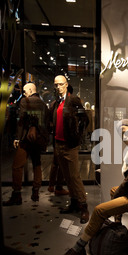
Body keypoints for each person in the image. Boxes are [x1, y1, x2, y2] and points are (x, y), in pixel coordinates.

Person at [54, 119, 128, 255]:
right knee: (114, 191)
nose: (123, 135)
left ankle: (78, 249)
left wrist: (118, 194)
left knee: (100, 210)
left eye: (125, 131)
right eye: (120, 133)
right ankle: (118, 225)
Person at [50, 75, 90, 223]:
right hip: (58, 143)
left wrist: (77, 135)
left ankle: (83, 205)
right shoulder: (56, 103)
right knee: (66, 176)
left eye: (60, 84)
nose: (58, 87)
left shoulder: (72, 100)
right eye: (56, 85)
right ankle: (74, 202)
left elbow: (85, 119)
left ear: (66, 85)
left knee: (74, 176)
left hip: (69, 145)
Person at [3, 83, 49, 205]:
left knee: (17, 166)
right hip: (38, 139)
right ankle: (35, 192)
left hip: (26, 139)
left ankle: (17, 194)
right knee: (36, 164)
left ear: (30, 90)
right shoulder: (43, 104)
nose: (23, 93)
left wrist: (18, 138)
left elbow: (21, 121)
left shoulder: (24, 101)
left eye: (24, 91)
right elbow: (46, 122)